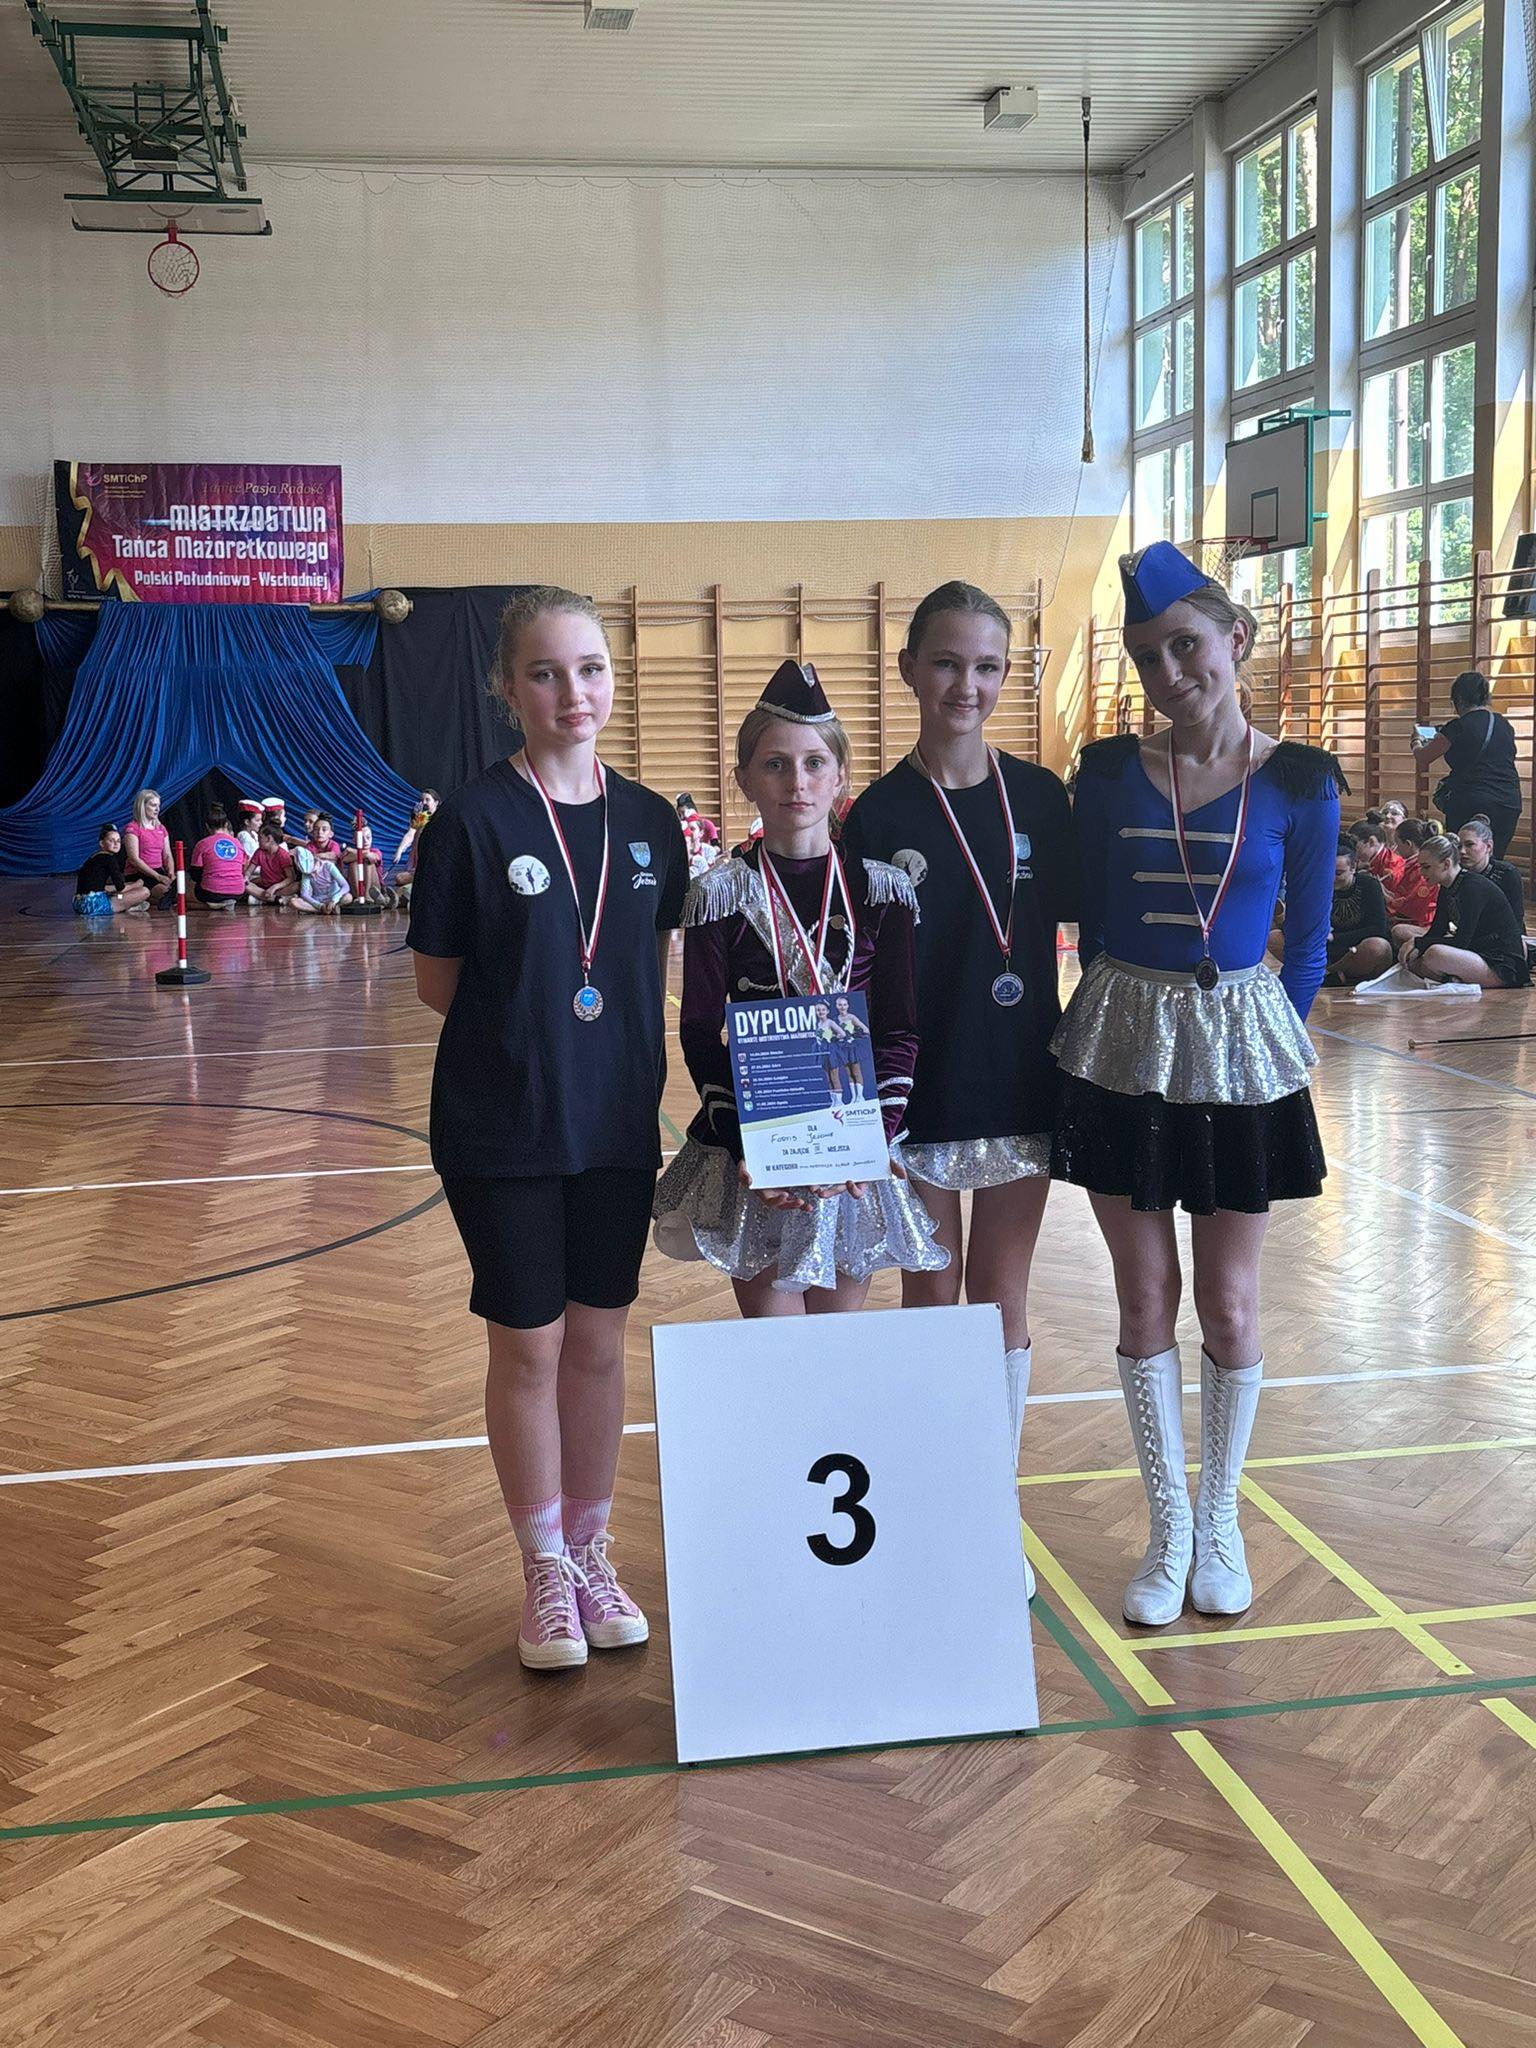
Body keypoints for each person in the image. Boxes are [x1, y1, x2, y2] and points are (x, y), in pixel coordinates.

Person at [1053, 543, 1343, 1629]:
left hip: (1241, 1051)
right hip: (1123, 1044)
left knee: (1228, 1300)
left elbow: (1308, 947)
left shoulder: (1301, 781)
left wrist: (1268, 1042)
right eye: (1147, 657)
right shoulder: (1107, 774)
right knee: (1143, 1298)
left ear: (1237, 639)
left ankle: (1219, 1514)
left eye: (1186, 646)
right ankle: (1166, 1521)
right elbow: (1087, 919)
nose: (1169, 674)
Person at [410, 585, 687, 1673]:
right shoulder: (472, 822)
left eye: (591, 668)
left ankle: (591, 1552)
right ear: (507, 687)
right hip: (504, 1121)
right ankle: (543, 1570)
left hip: (616, 1122)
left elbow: (644, 969)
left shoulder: (653, 823)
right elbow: (439, 984)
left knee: (601, 1342)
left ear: (614, 677)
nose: (573, 692)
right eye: (545, 672)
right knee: (530, 1343)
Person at [839, 580, 1074, 1503]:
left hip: (1021, 1079)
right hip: (918, 1090)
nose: (965, 686)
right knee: (931, 1295)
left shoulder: (1042, 799)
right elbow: (851, 972)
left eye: (985, 667)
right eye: (945, 663)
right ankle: (934, 1495)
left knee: (1001, 1295)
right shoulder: (878, 816)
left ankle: (988, 1497)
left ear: (1007, 674)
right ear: (908, 670)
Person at [653, 659, 946, 1316]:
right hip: (756, 1153)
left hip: (855, 1150)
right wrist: (748, 1145)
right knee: (777, 1350)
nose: (797, 782)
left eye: (815, 763)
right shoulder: (720, 895)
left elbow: (899, 1026)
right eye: (775, 764)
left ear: (841, 775)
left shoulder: (881, 891)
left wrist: (872, 1138)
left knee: (837, 1350)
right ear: (744, 780)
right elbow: (700, 1030)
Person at [1413, 671, 1523, 856]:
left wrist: (1415, 741)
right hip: (1509, 801)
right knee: (1494, 859)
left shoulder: (1457, 727)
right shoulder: (1503, 724)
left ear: (1458, 698)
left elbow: (1423, 757)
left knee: (1462, 857)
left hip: (1471, 800)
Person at [1398, 834, 1530, 989]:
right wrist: (1417, 946)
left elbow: (1462, 941)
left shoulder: (1472, 887)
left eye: (1426, 867)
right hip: (1477, 951)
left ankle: (1452, 978)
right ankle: (1452, 978)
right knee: (1413, 955)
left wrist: (1418, 943)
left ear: (1446, 864)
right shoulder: (1446, 888)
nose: (1421, 872)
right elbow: (1437, 931)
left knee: (1434, 953)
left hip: (1500, 963)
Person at [1319, 837, 1392, 986]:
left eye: (1338, 873)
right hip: (1327, 948)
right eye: (1328, 872)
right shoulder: (1320, 885)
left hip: (1359, 947)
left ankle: (1331, 973)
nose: (1332, 878)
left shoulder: (1369, 885)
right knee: (1276, 937)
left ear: (1353, 868)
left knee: (1378, 946)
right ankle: (1331, 974)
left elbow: (1379, 929)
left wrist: (1334, 937)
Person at [1457, 814, 1526, 930]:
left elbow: (1516, 919)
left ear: (1488, 846)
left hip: (1505, 936)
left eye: (1470, 845)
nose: (1462, 851)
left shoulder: (1507, 873)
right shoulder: (1456, 874)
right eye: (1459, 846)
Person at [73, 824, 149, 915]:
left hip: (79, 903)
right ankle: (126, 906)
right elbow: (121, 889)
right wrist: (137, 884)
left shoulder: (94, 857)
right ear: (102, 843)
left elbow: (104, 887)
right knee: (144, 891)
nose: (116, 844)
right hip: (94, 905)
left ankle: (125, 904)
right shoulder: (109, 858)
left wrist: (131, 885)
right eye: (111, 840)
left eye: (118, 841)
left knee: (121, 890)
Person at [1386, 817, 1438, 946]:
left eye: (1398, 844)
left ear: (1408, 844)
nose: (1396, 849)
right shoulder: (1411, 865)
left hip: (1422, 922)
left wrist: (1384, 896)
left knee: (1397, 930)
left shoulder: (1422, 868)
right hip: (1409, 916)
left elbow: (1412, 906)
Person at [188, 805, 247, 911]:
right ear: (226, 824)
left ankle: (211, 906)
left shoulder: (202, 844)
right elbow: (243, 868)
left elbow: (195, 874)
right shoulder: (238, 843)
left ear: (207, 826)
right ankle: (224, 903)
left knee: (184, 891)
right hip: (238, 892)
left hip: (212, 892)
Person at [123, 788, 175, 907]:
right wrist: (158, 877)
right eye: (153, 805)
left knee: (180, 890)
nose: (157, 809)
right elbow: (134, 859)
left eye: (158, 805)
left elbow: (167, 855)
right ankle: (139, 898)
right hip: (140, 873)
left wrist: (171, 873)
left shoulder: (161, 828)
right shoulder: (133, 828)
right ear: (142, 806)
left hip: (158, 871)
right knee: (167, 893)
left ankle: (145, 899)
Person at [390, 791, 439, 901]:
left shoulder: (441, 818)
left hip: (433, 863)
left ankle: (404, 895)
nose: (424, 803)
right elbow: (410, 834)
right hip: (419, 863)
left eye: (427, 800)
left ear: (436, 802)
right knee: (400, 878)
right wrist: (399, 851)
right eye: (422, 800)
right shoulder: (422, 817)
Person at [1349, 817, 1405, 901]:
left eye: (1356, 848)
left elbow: (1396, 901)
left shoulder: (1393, 865)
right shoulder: (1369, 861)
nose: (1354, 854)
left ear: (1371, 842)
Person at [289, 843, 353, 915]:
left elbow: (345, 886)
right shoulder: (306, 874)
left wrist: (334, 900)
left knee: (348, 897)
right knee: (293, 902)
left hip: (334, 896)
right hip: (318, 900)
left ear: (315, 861)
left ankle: (331, 907)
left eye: (313, 871)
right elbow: (304, 894)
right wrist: (319, 906)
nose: (312, 874)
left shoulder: (328, 866)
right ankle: (324, 910)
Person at [246, 821, 296, 906]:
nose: (258, 840)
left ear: (269, 839)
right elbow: (249, 871)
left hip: (280, 887)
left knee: (297, 886)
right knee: (244, 883)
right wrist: (246, 877)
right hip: (265, 887)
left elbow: (290, 878)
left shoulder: (282, 855)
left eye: (260, 838)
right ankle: (275, 899)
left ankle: (263, 898)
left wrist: (274, 887)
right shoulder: (259, 852)